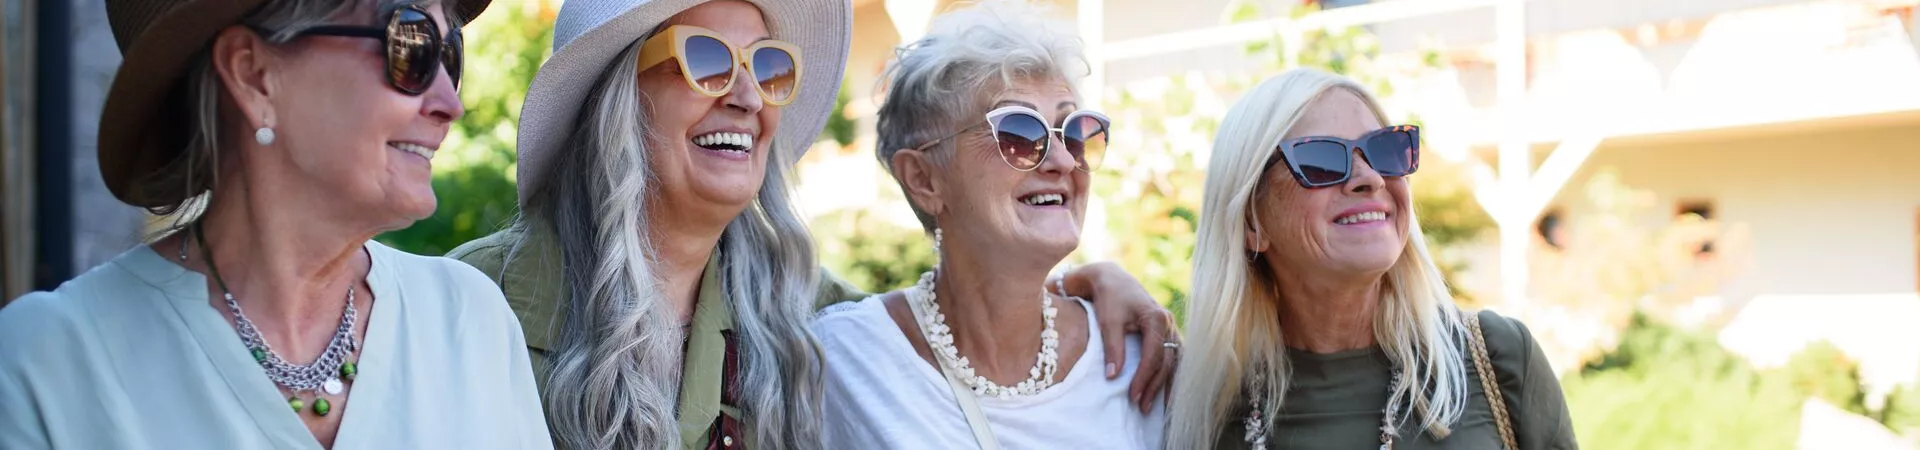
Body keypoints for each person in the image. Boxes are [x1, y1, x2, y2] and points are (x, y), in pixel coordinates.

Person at [446, 0, 1178, 448]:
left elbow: (952, 316)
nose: (747, 97)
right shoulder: (469, 308)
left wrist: (1092, 285)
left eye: (768, 68)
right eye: (707, 60)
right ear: (618, 93)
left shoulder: (806, 315)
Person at [0, 0, 551, 449]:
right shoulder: (47, 367)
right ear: (254, 75)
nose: (450, 104)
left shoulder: (467, 321)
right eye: (413, 46)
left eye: (450, 55)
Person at [813, 2, 1167, 448]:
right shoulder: (842, 358)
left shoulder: (1136, 358)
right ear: (923, 179)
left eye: (1075, 133)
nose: (1063, 161)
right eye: (1019, 134)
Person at [1164, 68, 1576, 449]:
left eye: (1385, 150)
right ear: (1252, 222)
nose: (1370, 178)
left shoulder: (1498, 359)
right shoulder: (1197, 409)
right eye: (1321, 159)